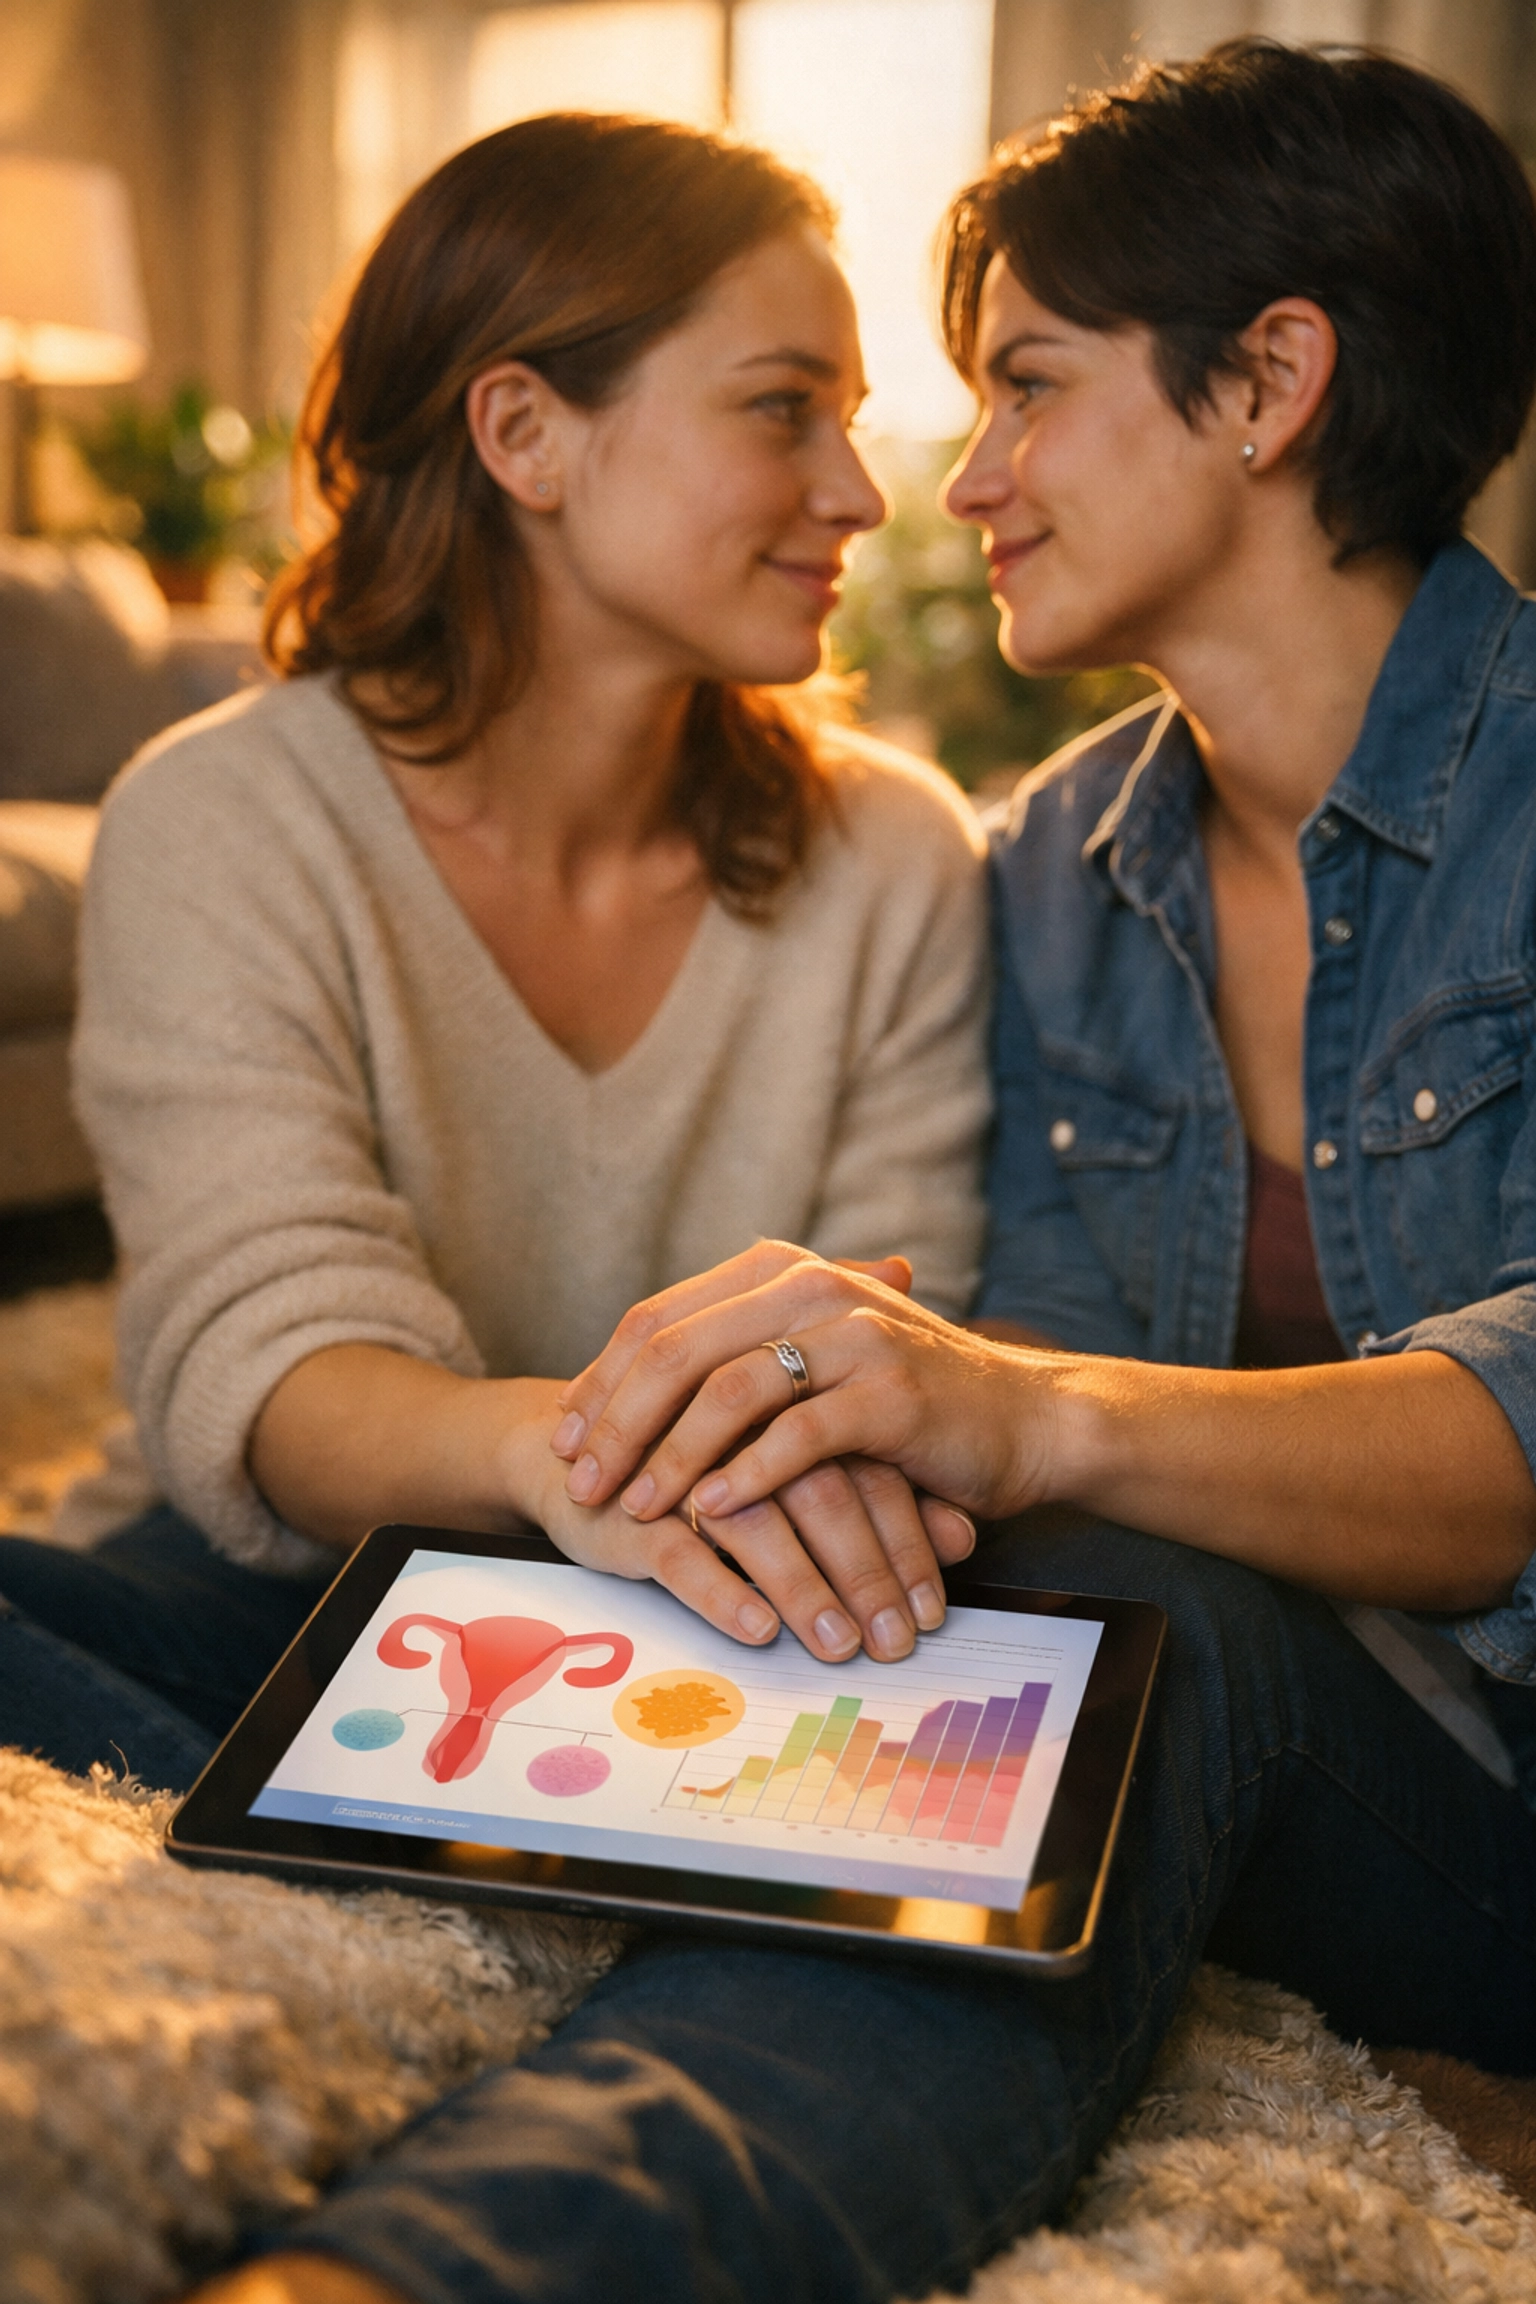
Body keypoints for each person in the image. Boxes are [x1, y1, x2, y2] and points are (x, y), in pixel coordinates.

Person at [190, 40, 1536, 2304]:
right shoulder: (1056, 875)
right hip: (1257, 1745)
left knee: (1111, 1628)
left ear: (1269, 382)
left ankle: (460, 2268)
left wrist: (1034, 1410)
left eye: (1022, 386)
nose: (962, 480)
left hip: (1481, 1788)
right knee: (184, 1569)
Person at [0, 113, 989, 1793]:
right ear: (524, 432)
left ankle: (328, 1828)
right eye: (780, 409)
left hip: (732, 1608)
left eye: (852, 421)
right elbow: (275, 1360)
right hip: (282, 1584)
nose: (858, 492)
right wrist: (555, 1461)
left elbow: (896, 1348)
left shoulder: (896, 853)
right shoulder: (226, 818)